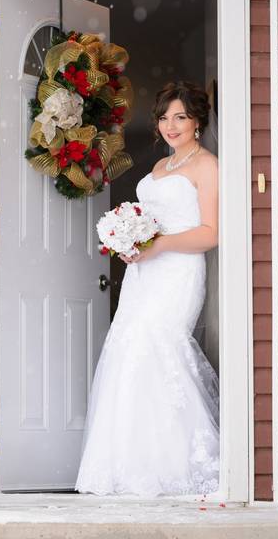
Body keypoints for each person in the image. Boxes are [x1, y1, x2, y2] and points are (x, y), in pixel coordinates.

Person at [75, 80, 220, 497]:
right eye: (164, 117)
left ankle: (178, 468)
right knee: (127, 352)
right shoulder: (160, 169)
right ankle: (130, 467)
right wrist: (130, 242)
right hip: (145, 275)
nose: (170, 126)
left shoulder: (206, 166)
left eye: (181, 117)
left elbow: (210, 233)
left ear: (197, 121)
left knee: (156, 349)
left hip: (178, 272)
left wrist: (158, 246)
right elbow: (150, 224)